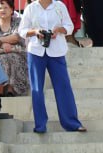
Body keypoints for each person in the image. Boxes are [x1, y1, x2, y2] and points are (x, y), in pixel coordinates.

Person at [19, 0, 85, 135]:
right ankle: (40, 125)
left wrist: (59, 30)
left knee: (64, 87)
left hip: (57, 51)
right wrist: (35, 31)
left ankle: (72, 123)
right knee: (37, 88)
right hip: (36, 50)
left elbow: (69, 26)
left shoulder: (60, 6)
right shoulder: (31, 8)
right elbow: (22, 30)